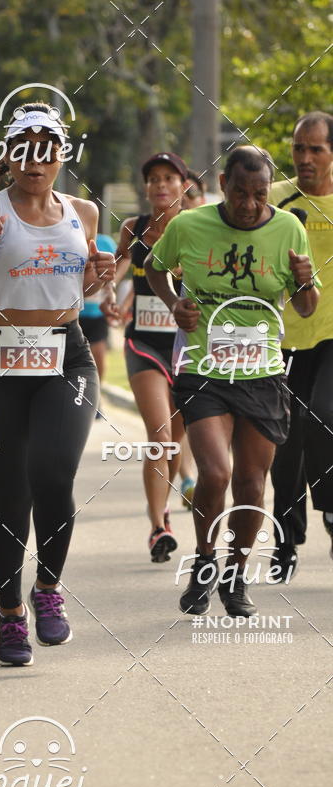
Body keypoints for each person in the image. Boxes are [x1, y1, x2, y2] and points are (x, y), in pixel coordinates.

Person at [0, 102, 116, 666]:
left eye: (48, 147)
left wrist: (98, 275)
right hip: (3, 359)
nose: (37, 160)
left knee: (54, 471)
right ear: (10, 155)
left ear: (61, 155)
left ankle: (48, 590)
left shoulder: (83, 212)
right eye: (26, 148)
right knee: (8, 490)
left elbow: (81, 287)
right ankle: (10, 614)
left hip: (67, 356)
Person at [145, 145, 319, 617]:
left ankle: (236, 574)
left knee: (250, 484)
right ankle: (205, 560)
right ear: (223, 185)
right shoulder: (189, 224)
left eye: (259, 195)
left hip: (262, 373)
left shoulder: (288, 228)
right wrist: (173, 304)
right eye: (240, 193)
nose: (248, 204)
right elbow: (154, 267)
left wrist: (305, 282)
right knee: (216, 474)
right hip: (205, 369)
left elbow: (305, 307)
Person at [114, 152, 188, 562]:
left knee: (175, 441)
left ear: (183, 185)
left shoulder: (197, 226)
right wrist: (108, 292)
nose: (160, 185)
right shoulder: (134, 228)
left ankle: (163, 507)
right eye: (153, 179)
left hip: (185, 345)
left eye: (169, 178)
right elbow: (120, 268)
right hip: (143, 344)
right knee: (160, 434)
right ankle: (158, 526)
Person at [269, 111, 333, 574]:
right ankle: (285, 541)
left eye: (317, 149)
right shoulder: (276, 199)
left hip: (332, 334)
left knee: (325, 416)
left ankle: (331, 508)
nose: (305, 158)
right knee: (282, 441)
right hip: (283, 337)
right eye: (299, 149)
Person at [78, 233, 117, 404]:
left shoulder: (105, 242)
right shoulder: (68, 238)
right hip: (72, 314)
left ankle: (95, 396)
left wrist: (111, 295)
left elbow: (112, 275)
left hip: (96, 313)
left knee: (98, 355)